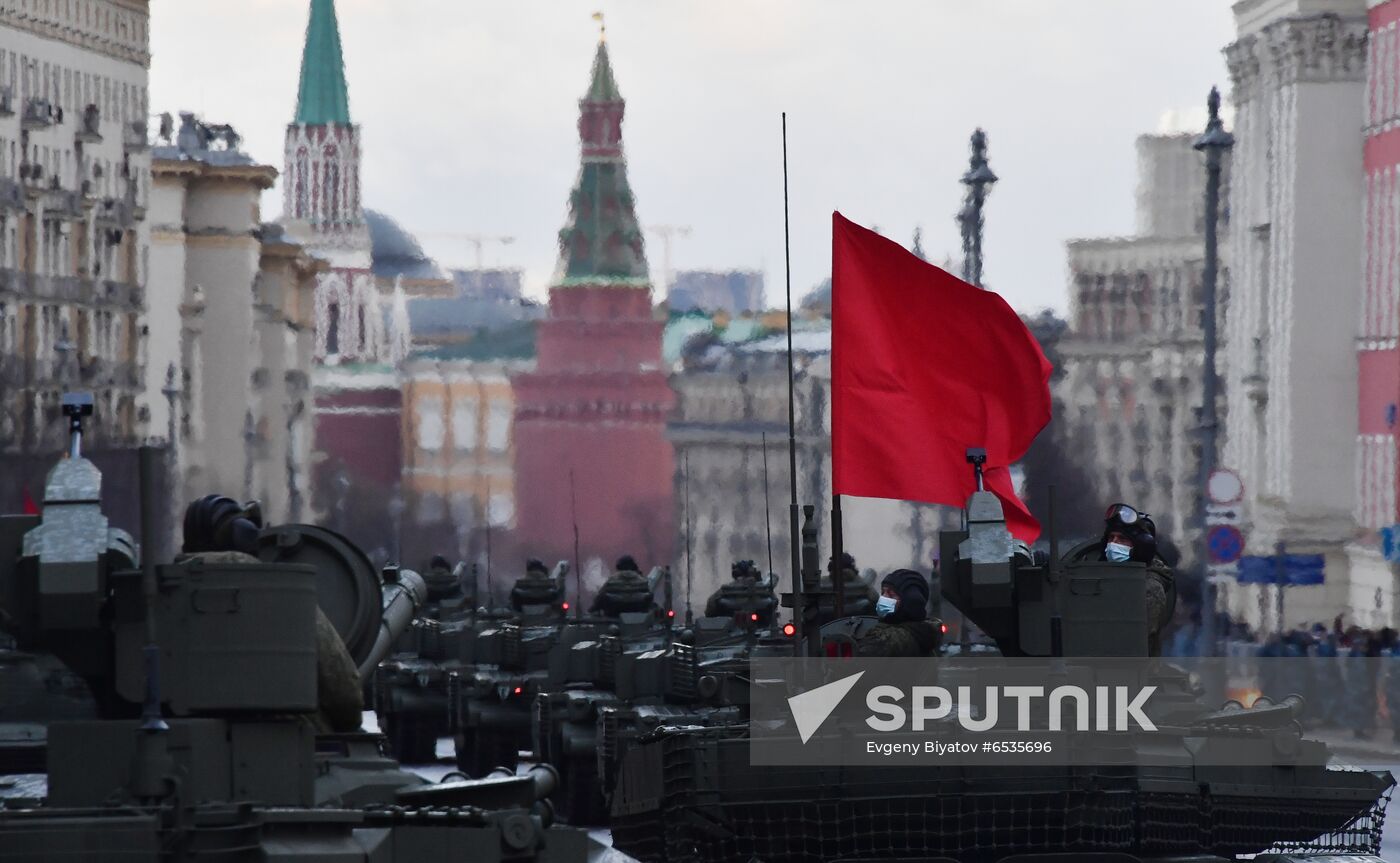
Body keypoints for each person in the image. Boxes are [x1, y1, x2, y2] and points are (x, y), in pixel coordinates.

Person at [1073, 503, 1175, 656]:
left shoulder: (1150, 587)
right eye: (1111, 538)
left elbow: (1129, 639)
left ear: (1141, 547)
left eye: (1122, 539)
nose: (1114, 544)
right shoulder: (1102, 576)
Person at [854, 569, 941, 657]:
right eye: (883, 592)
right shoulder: (921, 633)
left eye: (891, 595)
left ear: (909, 602)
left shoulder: (889, 641)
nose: (884, 597)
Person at [705, 560, 778, 625]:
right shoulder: (762, 589)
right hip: (761, 625)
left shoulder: (726, 589)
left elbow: (710, 610)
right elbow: (774, 602)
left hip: (728, 629)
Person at [590, 555, 659, 617]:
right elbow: (647, 593)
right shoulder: (641, 580)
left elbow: (601, 594)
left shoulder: (612, 579)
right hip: (637, 610)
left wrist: (594, 608)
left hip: (614, 612)